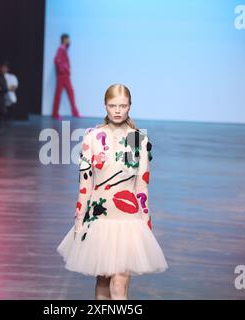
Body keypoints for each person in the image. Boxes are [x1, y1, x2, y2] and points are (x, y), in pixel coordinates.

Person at [57, 84, 168, 300]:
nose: (117, 110)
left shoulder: (139, 141)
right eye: (112, 105)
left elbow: (142, 186)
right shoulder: (91, 138)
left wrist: (146, 223)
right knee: (103, 280)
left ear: (129, 107)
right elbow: (85, 184)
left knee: (120, 283)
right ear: (105, 106)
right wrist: (79, 219)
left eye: (122, 106)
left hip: (128, 219)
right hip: (99, 217)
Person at [51, 33, 80, 120]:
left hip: (64, 75)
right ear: (64, 39)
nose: (69, 40)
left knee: (68, 93)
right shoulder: (61, 48)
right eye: (68, 39)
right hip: (62, 76)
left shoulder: (63, 49)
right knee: (63, 94)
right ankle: (56, 113)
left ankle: (72, 112)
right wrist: (63, 70)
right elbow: (57, 60)